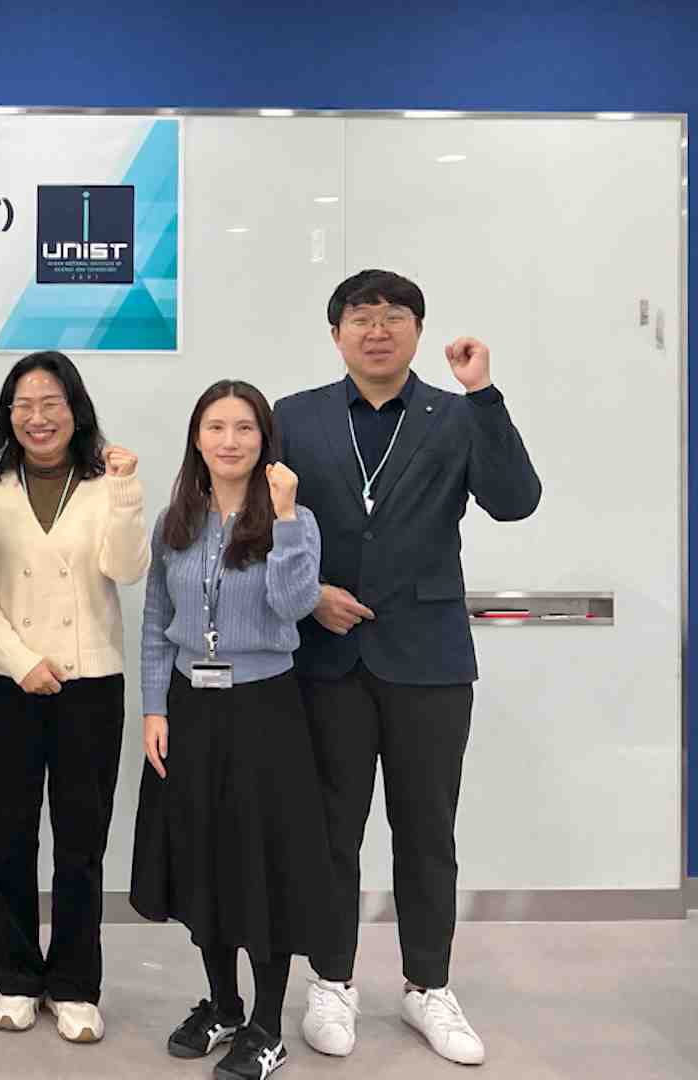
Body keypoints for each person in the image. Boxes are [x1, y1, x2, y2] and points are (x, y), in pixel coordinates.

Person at [277, 270, 541, 1066]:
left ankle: (429, 985)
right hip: (327, 656)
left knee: (427, 832)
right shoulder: (295, 416)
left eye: (395, 316)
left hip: (428, 657)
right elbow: (255, 520)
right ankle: (332, 981)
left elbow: (515, 500)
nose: (378, 329)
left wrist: (483, 393)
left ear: (418, 332)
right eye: (361, 317)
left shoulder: (456, 415)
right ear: (336, 335)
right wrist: (307, 593)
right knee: (331, 831)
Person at [130, 379, 329, 1080]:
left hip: (264, 710)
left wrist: (286, 519)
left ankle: (268, 1026)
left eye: (245, 428)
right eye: (216, 426)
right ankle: (223, 1004)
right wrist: (154, 708)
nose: (230, 440)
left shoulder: (294, 520)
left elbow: (294, 604)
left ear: (264, 439)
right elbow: (156, 621)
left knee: (261, 868)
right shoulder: (175, 521)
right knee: (203, 860)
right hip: (191, 708)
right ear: (197, 437)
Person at [0, 351, 147, 1040]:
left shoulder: (105, 482)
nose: (38, 418)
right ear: (9, 415)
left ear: (75, 410)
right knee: (8, 833)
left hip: (90, 681)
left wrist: (125, 492)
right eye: (24, 406)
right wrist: (21, 661)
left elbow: (126, 567)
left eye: (51, 403)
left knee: (81, 840)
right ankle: (12, 975)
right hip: (4, 681)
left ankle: (74, 983)